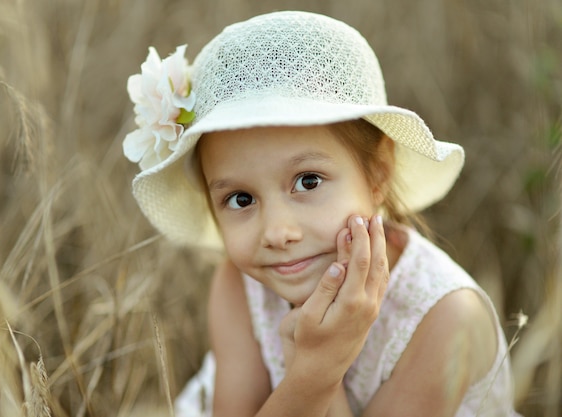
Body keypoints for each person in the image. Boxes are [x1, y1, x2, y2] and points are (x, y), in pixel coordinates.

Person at [123, 11, 521, 417]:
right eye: (242, 199)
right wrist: (313, 375)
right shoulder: (242, 287)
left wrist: (319, 370)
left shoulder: (444, 318)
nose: (277, 232)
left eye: (308, 182)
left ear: (378, 173)